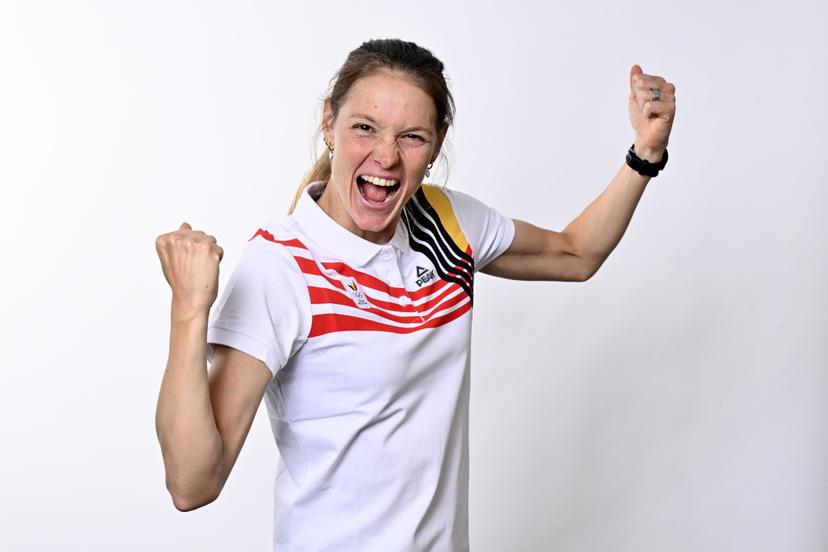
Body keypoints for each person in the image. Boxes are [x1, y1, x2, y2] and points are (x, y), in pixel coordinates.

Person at [154, 38, 676, 551]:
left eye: (411, 137)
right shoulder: (282, 265)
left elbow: (575, 254)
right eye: (364, 128)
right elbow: (193, 483)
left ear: (437, 142)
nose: (385, 156)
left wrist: (645, 153)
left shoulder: (446, 221)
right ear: (328, 125)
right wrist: (188, 310)